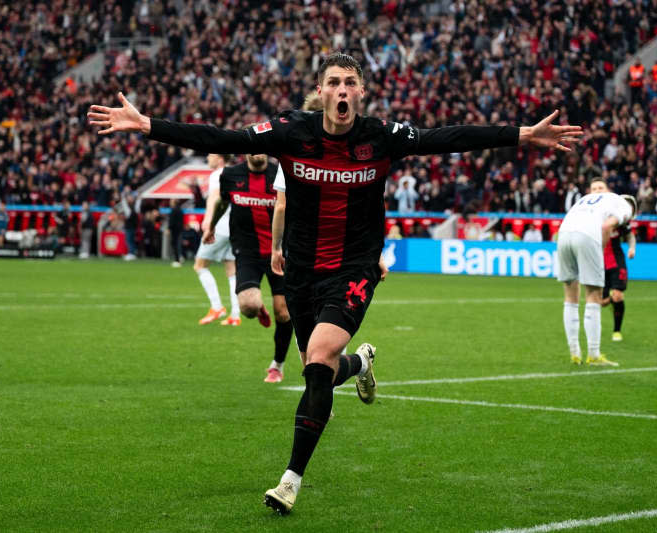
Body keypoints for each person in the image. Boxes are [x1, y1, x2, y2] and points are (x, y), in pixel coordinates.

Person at [88, 52, 583, 515]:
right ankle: (361, 362)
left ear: (360, 93)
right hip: (301, 271)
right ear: (320, 92)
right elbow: (222, 138)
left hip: (354, 267)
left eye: (350, 83)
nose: (341, 91)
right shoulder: (290, 131)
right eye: (333, 83)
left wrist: (523, 135)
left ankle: (290, 479)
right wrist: (146, 125)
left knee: (319, 356)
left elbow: (448, 137)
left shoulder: (381, 136)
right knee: (317, 370)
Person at [201, 148, 291, 383]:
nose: (259, 153)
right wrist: (211, 225)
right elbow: (222, 202)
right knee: (248, 307)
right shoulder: (230, 175)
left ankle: (277, 365)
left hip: (280, 251)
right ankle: (258, 306)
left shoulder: (281, 174)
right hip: (247, 251)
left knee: (283, 313)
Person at [557, 185, 637, 367]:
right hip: (587, 236)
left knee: (570, 296)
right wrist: (599, 251)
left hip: (563, 234)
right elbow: (607, 225)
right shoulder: (624, 207)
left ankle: (574, 353)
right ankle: (593, 354)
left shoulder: (597, 198)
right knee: (593, 295)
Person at [192, 153, 241, 326]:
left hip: (219, 226)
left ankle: (217, 307)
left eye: (211, 155)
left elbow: (214, 197)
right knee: (231, 269)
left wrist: (208, 221)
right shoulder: (235, 172)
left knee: (200, 265)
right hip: (234, 227)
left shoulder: (217, 175)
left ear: (220, 158)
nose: (208, 158)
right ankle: (235, 315)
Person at [590, 180, 636, 342]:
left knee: (618, 295)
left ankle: (617, 331)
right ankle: (610, 297)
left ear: (607, 190)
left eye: (600, 188)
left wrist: (632, 248)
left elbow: (629, 234)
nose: (597, 191)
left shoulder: (616, 213)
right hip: (597, 262)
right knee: (601, 302)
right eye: (594, 188)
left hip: (616, 260)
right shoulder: (586, 215)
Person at [168, 198, 184, 267]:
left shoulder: (174, 210)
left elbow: (172, 221)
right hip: (179, 229)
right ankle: (179, 258)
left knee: (175, 245)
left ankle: (177, 260)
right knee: (177, 244)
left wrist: (169, 228)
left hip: (175, 230)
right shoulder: (180, 210)